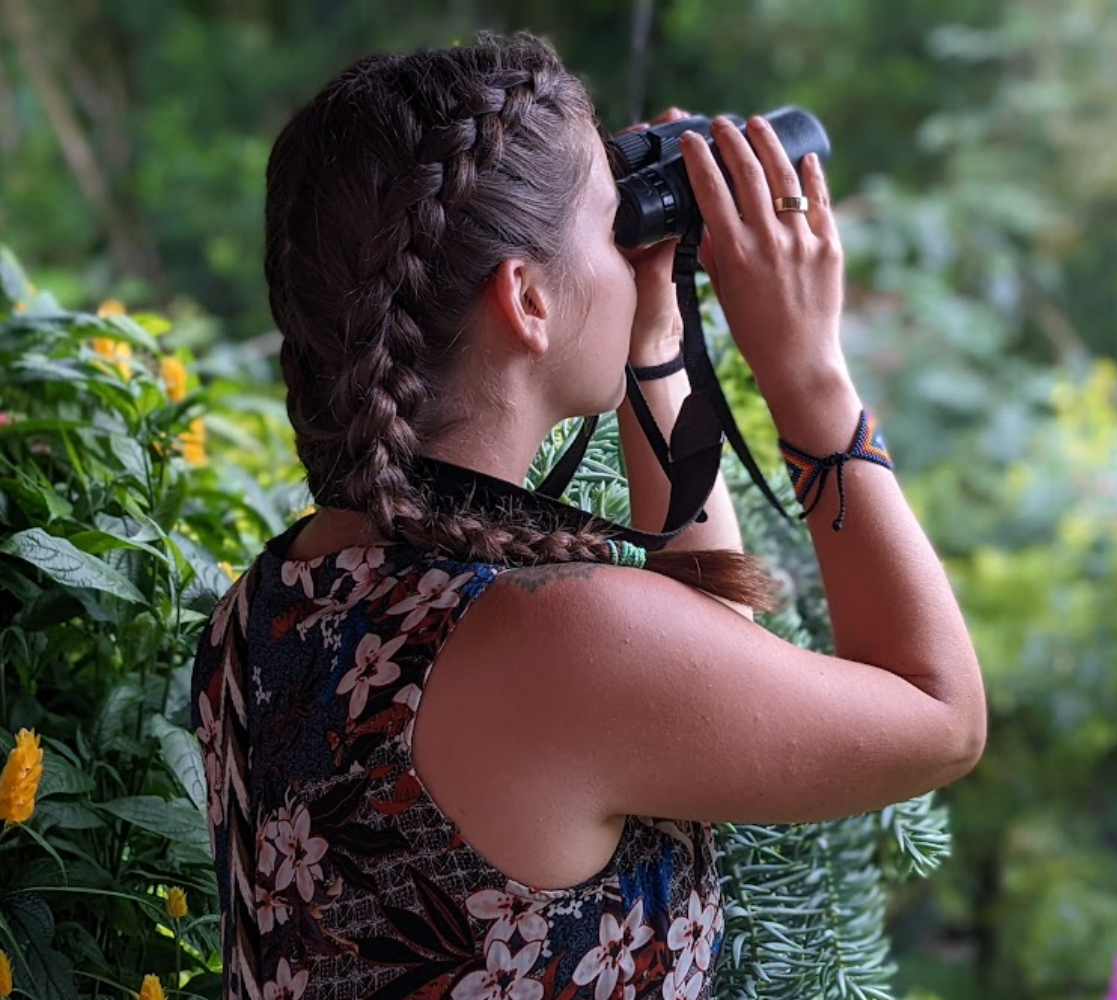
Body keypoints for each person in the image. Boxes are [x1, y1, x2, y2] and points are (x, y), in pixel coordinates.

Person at [190, 30, 986, 1000]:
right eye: (610, 224)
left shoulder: (268, 607)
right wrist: (810, 376)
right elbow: (939, 716)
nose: (627, 250)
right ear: (526, 298)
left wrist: (653, 342)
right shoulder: (551, 638)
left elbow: (699, 666)